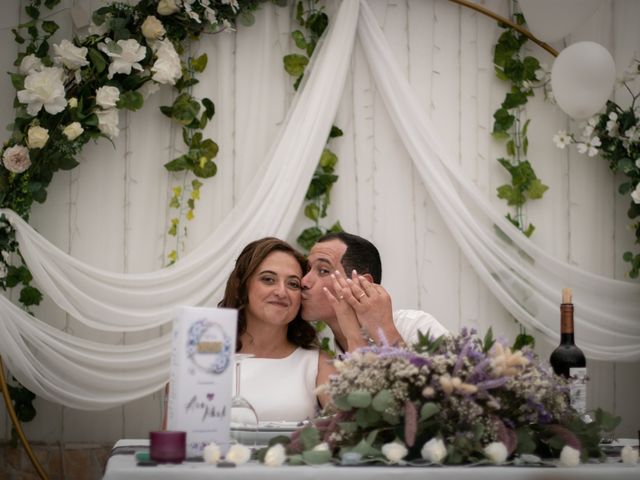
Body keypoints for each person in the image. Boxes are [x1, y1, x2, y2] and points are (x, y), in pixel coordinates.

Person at [218, 237, 334, 423]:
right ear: (242, 287)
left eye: (293, 284)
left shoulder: (318, 364)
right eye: (268, 279)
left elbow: (352, 431)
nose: (281, 292)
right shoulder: (205, 358)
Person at [301, 232, 448, 353]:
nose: (303, 282)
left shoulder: (415, 327)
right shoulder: (323, 365)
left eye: (323, 270)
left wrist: (383, 331)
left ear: (362, 285)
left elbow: (452, 385)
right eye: (307, 270)